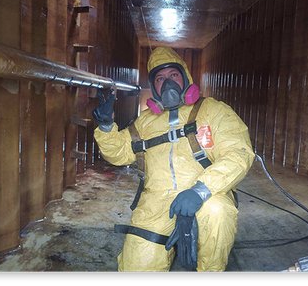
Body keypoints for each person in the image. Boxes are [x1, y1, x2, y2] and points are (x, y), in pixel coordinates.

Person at [93, 47, 255, 272]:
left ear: (185, 77)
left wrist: (201, 190)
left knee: (217, 213)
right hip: (157, 201)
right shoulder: (145, 122)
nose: (167, 83)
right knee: (136, 266)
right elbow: (120, 155)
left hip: (207, 194)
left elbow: (239, 154)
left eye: (173, 75)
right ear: (154, 86)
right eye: (160, 78)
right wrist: (106, 127)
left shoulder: (214, 111)